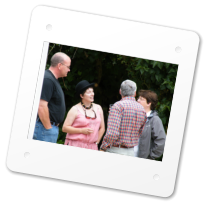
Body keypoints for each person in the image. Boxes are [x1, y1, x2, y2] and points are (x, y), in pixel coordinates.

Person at [100, 80, 147, 156]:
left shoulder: (118, 106)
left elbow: (112, 134)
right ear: (135, 93)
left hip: (115, 150)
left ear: (120, 91)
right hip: (131, 152)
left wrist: (103, 147)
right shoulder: (142, 109)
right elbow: (140, 131)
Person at [33, 52, 71, 143]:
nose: (69, 70)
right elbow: (41, 106)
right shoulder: (48, 79)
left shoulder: (52, 79)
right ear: (59, 65)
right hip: (44, 129)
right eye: (68, 67)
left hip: (47, 129)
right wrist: (48, 128)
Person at [62, 80, 105, 150]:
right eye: (89, 92)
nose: (92, 94)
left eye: (92, 91)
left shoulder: (98, 108)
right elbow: (64, 128)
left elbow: (102, 128)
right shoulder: (75, 109)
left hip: (92, 146)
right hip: (75, 144)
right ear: (81, 95)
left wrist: (96, 143)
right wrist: (81, 130)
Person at [134, 90, 166, 160]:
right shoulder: (134, 116)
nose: (138, 100)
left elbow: (161, 141)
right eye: (138, 98)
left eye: (141, 99)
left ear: (149, 103)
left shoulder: (155, 120)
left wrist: (150, 157)